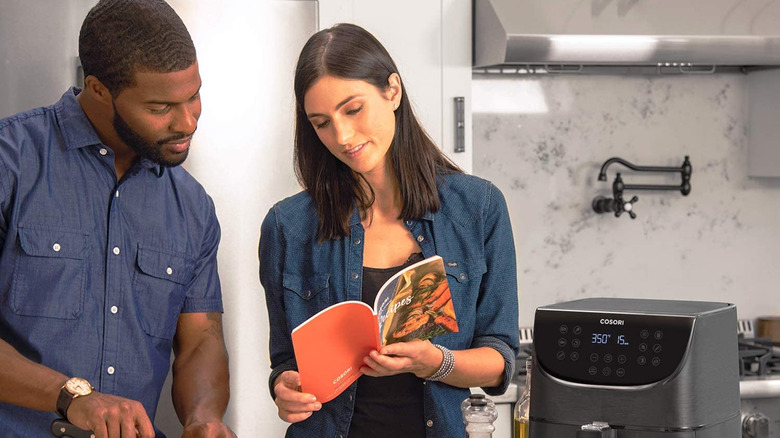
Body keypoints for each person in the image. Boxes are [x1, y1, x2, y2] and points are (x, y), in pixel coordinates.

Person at [259, 23, 519, 438]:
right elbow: (286, 362)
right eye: (321, 122)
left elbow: (500, 359)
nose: (342, 136)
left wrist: (435, 362)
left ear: (392, 90)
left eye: (353, 109)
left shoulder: (478, 207)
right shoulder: (288, 226)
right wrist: (284, 388)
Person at [0, 1, 234, 437]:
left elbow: (201, 338)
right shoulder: (10, 163)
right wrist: (73, 398)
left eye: (194, 96)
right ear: (98, 88)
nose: (188, 122)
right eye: (161, 106)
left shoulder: (193, 206)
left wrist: (204, 418)